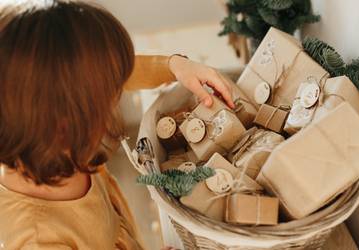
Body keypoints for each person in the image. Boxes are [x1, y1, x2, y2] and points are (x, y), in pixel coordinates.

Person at [0, 1, 234, 249]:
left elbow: (111, 71)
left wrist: (175, 66)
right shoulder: (37, 240)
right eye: (109, 99)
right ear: (67, 123)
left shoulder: (49, 139)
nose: (117, 94)